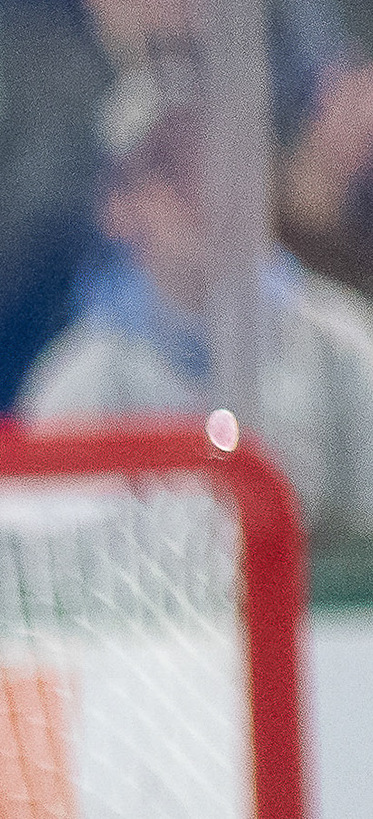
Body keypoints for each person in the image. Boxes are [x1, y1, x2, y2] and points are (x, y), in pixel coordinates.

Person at [21, 67, 373, 545]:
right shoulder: (76, 387)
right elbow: (58, 577)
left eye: (229, 161)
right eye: (173, 169)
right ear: (117, 208)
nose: (208, 190)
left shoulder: (344, 346)